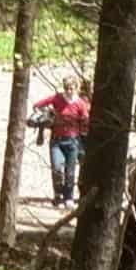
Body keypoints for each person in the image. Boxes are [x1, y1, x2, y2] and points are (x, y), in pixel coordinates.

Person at [33, 76, 90, 209]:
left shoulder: (80, 103)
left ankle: (68, 197)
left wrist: (83, 133)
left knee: (70, 171)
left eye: (71, 88)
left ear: (77, 88)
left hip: (73, 141)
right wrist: (46, 115)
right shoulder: (57, 98)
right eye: (66, 88)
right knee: (57, 168)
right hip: (56, 141)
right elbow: (38, 105)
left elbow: (85, 120)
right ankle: (58, 195)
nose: (69, 91)